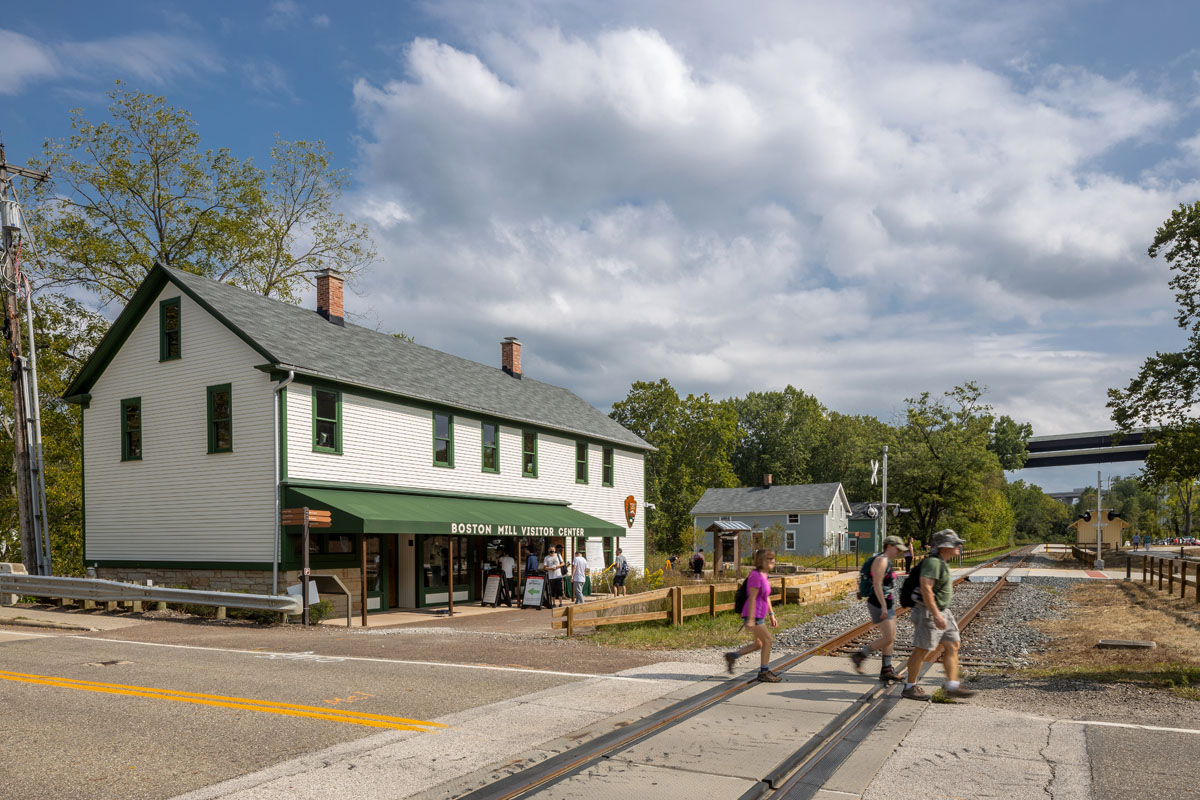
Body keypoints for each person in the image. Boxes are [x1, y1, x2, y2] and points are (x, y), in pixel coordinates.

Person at [902, 529, 975, 701]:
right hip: (929, 611)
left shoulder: (941, 562)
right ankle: (909, 687)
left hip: (942, 611)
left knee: (952, 645)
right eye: (955, 543)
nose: (959, 546)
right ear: (944, 547)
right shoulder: (933, 563)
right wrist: (936, 614)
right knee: (923, 649)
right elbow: (926, 587)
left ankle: (952, 686)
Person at [850, 535, 905, 682]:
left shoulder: (886, 560)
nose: (899, 551)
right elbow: (877, 584)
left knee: (890, 638)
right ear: (889, 546)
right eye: (897, 548)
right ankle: (860, 656)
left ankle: (886, 669)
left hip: (887, 603)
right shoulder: (881, 560)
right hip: (879, 603)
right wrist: (883, 607)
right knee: (889, 637)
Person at [724, 549, 781, 682]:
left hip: (759, 614)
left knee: (759, 644)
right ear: (761, 560)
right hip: (753, 615)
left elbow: (766, 597)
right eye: (769, 558)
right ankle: (764, 672)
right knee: (768, 641)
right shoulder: (755, 575)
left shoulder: (764, 575)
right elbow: (752, 598)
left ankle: (733, 656)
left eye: (773, 558)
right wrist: (749, 619)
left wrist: (772, 615)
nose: (772, 561)